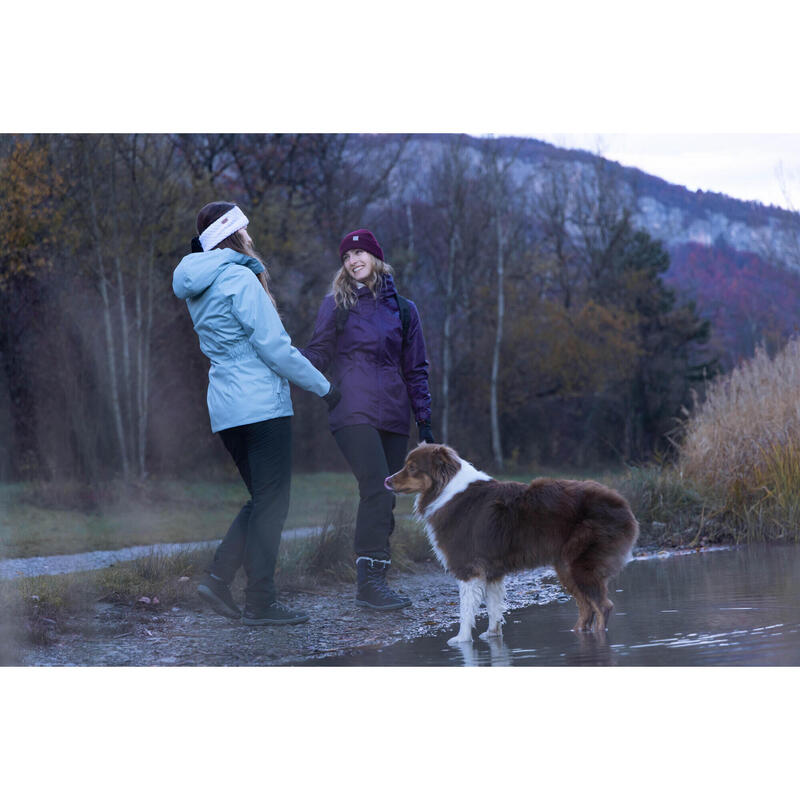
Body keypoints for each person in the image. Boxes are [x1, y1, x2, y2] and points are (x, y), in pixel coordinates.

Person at [172, 201, 340, 626]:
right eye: (245, 230)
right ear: (234, 233)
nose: (250, 236)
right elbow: (274, 348)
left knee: (264, 500)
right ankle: (258, 600)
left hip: (227, 408)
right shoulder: (239, 279)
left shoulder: (199, 283)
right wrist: (325, 387)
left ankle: (219, 579)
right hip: (261, 405)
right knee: (272, 501)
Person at [302, 228, 433, 611]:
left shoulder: (405, 310)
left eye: (359, 253)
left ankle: (376, 578)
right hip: (351, 410)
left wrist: (424, 424)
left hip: (394, 415)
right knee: (376, 488)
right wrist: (282, 361)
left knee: (386, 494)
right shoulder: (337, 304)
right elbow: (317, 352)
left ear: (376, 258)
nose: (353, 260)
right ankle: (369, 586)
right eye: (346, 256)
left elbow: (416, 370)